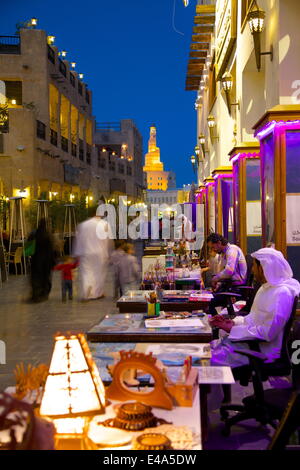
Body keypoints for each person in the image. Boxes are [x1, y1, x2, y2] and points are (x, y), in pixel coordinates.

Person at [209, 247, 300, 368]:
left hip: (260, 351)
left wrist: (233, 330)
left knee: (205, 361)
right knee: (205, 350)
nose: (252, 270)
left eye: (254, 266)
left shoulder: (282, 293)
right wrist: (232, 323)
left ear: (263, 268)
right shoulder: (265, 288)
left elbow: (267, 333)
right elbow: (252, 318)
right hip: (248, 344)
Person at [73, 208, 113, 300]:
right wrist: (109, 252)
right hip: (100, 252)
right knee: (99, 274)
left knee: (86, 273)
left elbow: (79, 239)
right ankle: (97, 293)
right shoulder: (105, 224)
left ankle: (87, 291)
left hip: (86, 252)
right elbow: (109, 240)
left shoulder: (83, 225)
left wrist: (76, 253)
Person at [206, 233, 247, 316]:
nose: (213, 250)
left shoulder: (232, 250)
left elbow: (229, 271)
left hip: (236, 289)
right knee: (207, 297)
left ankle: (217, 324)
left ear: (219, 243)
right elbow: (226, 275)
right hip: (229, 286)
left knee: (208, 303)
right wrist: (219, 283)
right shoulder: (224, 254)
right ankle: (218, 321)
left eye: (213, 247)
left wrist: (216, 279)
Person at [28, 219, 56, 303]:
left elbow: (28, 249)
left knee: (36, 278)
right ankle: (44, 294)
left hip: (36, 261)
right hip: (46, 262)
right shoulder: (48, 235)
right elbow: (52, 249)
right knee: (46, 277)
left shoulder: (33, 234)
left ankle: (36, 294)